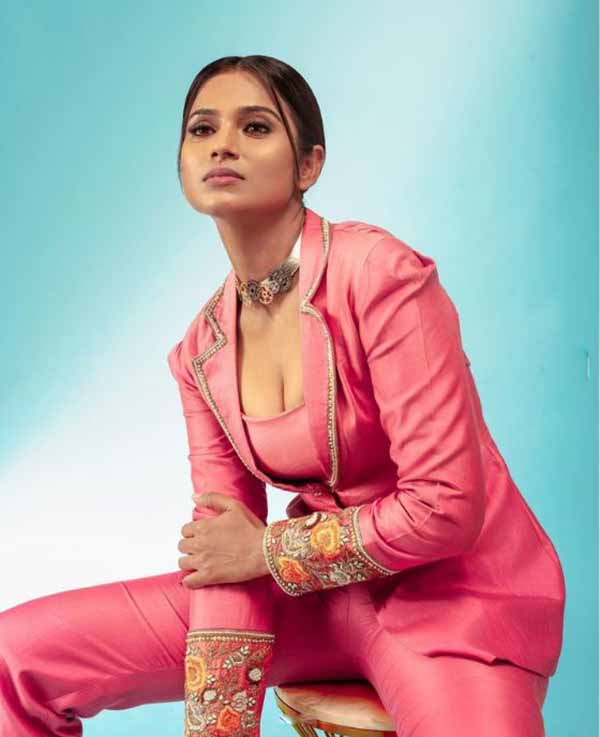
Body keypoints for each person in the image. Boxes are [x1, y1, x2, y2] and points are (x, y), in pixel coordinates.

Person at [0, 54, 565, 737]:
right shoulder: (200, 352)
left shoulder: (381, 276)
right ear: (182, 164)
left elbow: (445, 506)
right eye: (202, 128)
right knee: (14, 656)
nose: (222, 144)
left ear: (308, 165)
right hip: (310, 602)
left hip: (454, 602)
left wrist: (268, 551)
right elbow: (222, 551)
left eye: (256, 126)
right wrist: (221, 727)